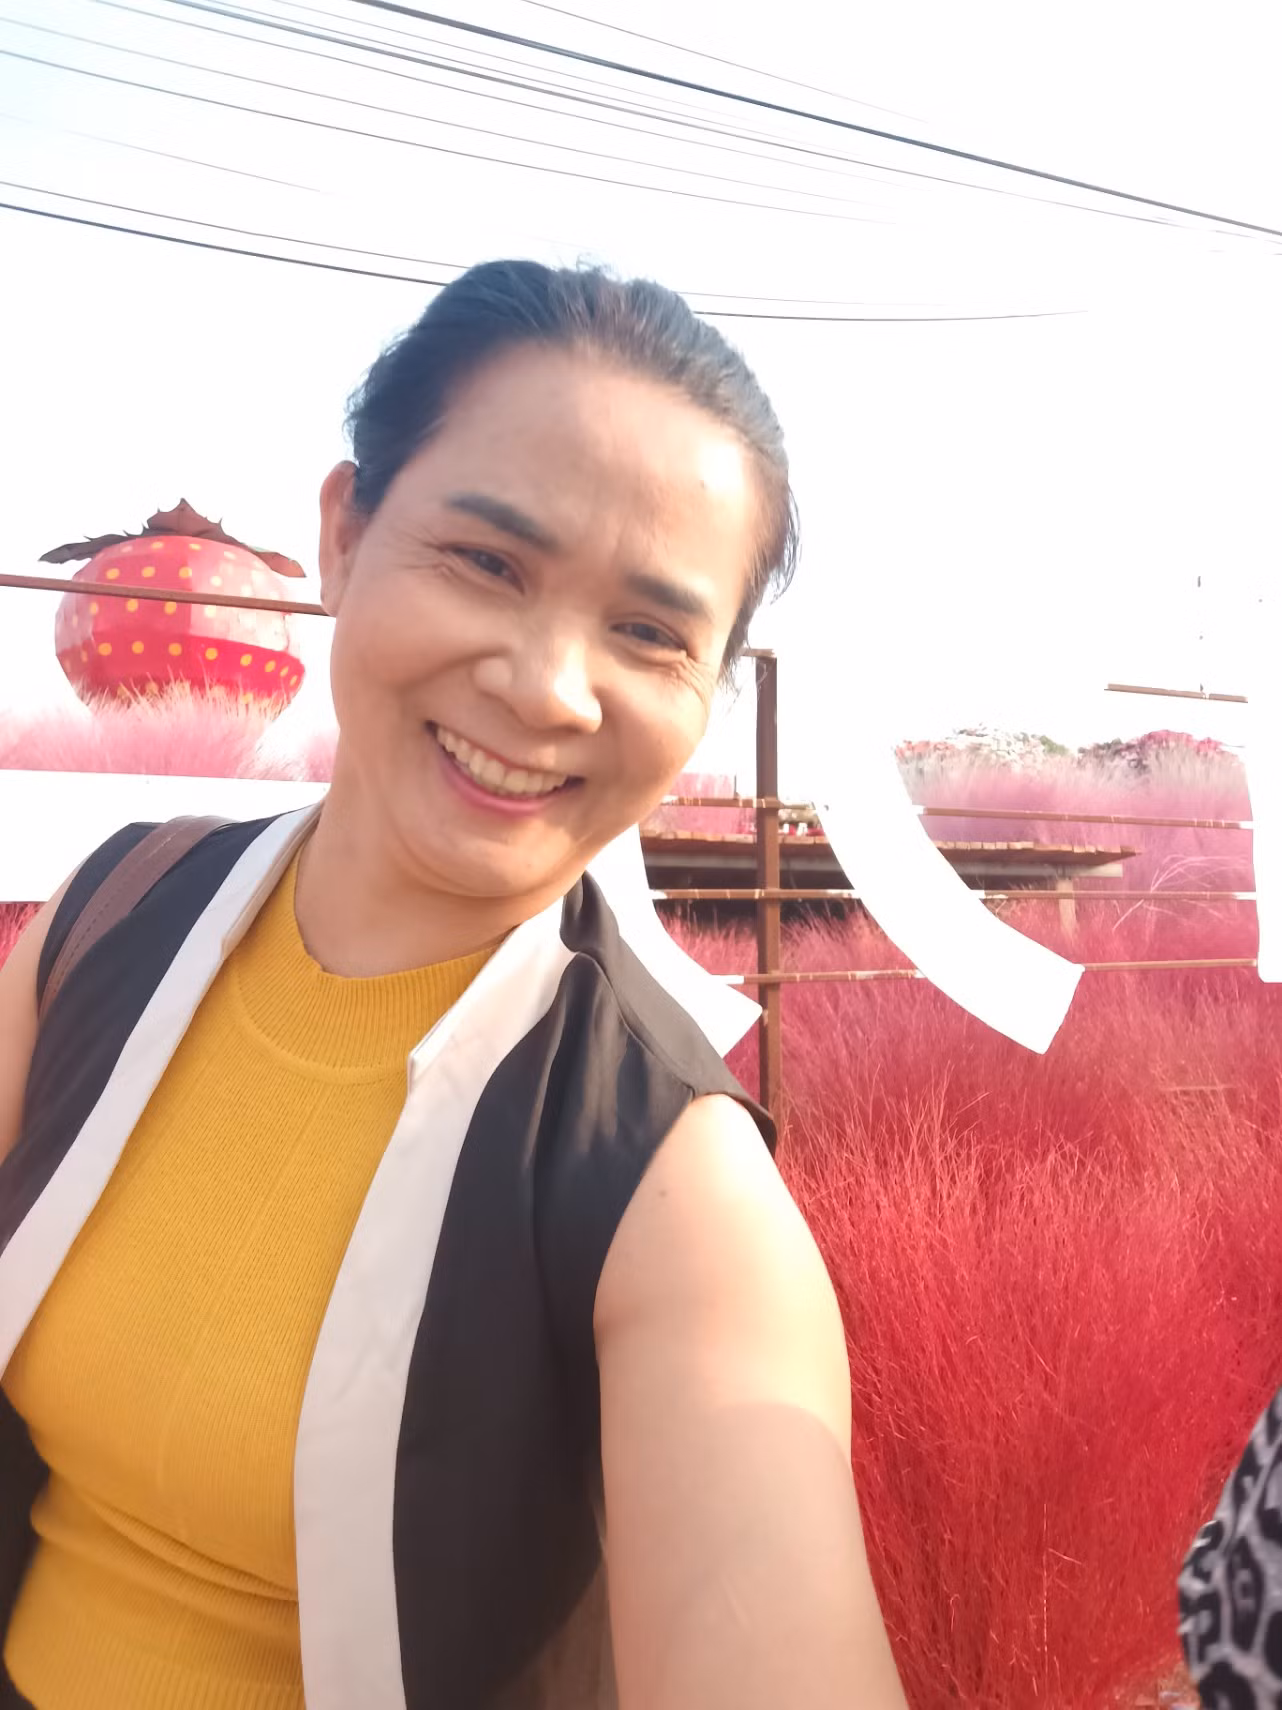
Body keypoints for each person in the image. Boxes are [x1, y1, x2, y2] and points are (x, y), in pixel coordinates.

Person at [0, 260, 907, 1710]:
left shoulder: (674, 1193)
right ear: (343, 536)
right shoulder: (108, 918)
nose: (548, 687)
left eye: (649, 633)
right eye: (487, 562)